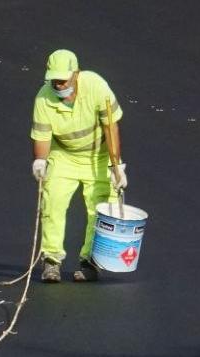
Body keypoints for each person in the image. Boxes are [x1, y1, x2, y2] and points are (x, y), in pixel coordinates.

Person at [30, 49, 128, 282]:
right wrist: (40, 161)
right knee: (52, 201)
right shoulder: (43, 98)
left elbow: (111, 128)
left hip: (98, 156)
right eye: (54, 79)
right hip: (64, 156)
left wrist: (116, 166)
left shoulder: (96, 86)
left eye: (63, 79)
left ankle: (90, 262)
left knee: (100, 208)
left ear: (76, 73)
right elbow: (42, 137)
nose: (59, 84)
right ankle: (51, 260)